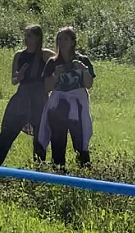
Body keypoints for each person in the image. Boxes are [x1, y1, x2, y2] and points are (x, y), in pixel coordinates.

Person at [0, 24, 54, 166]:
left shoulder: (45, 55)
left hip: (39, 97)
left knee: (40, 136)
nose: (26, 39)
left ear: (37, 38)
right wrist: (19, 77)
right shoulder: (19, 55)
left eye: (29, 36)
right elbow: (13, 80)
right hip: (22, 96)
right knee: (7, 131)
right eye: (25, 35)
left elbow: (59, 62)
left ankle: (39, 168)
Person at [37, 26, 95, 170]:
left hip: (77, 104)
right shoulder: (52, 62)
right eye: (59, 39)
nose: (61, 42)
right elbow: (46, 87)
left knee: (80, 139)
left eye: (65, 39)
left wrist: (84, 71)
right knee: (57, 140)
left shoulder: (82, 60)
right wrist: (55, 75)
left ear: (73, 42)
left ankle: (85, 173)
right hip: (58, 105)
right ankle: (59, 172)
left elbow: (88, 84)